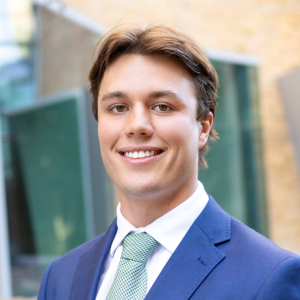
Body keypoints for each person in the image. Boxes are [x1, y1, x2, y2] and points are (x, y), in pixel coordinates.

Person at [38, 25, 300, 300]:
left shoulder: (269, 278)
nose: (137, 126)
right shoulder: (60, 278)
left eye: (162, 106)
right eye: (118, 107)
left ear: (203, 127)